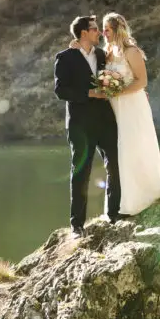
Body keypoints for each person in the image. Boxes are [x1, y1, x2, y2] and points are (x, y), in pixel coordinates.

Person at [53, 15, 122, 237]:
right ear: (83, 33)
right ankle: (77, 225)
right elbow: (60, 91)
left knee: (114, 166)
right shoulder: (65, 58)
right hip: (80, 125)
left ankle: (114, 214)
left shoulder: (101, 54)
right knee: (81, 172)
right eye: (94, 29)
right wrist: (89, 93)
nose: (98, 33)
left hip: (105, 120)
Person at [98, 13, 160, 215]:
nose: (104, 33)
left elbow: (142, 81)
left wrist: (117, 91)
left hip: (131, 105)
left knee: (132, 146)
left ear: (117, 30)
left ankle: (142, 195)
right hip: (113, 107)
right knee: (118, 151)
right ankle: (122, 201)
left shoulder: (132, 51)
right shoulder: (107, 52)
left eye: (107, 29)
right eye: (102, 29)